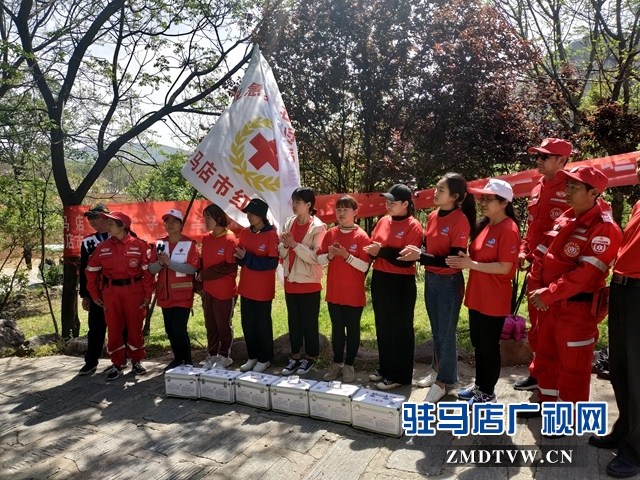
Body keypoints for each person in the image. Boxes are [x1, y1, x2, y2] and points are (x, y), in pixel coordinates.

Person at [521, 166, 621, 424]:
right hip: (549, 306)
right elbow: (541, 254)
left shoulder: (604, 228)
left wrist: (549, 293)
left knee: (573, 367)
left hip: (577, 310)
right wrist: (537, 287)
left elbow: (585, 274)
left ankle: (568, 418)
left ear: (594, 193)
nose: (567, 190)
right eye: (567, 185)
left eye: (574, 187)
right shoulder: (565, 218)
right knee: (546, 358)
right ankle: (547, 406)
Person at [398, 173, 475, 403]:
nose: (435, 192)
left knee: (446, 334)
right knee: (436, 331)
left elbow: (452, 260)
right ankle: (437, 370)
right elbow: (428, 246)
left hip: (448, 283)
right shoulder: (432, 215)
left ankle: (443, 382)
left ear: (455, 196)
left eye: (441, 190)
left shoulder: (460, 220)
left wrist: (420, 256)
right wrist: (418, 250)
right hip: (431, 279)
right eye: (436, 188)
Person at [447, 179, 520, 404]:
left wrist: (472, 264)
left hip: (494, 298)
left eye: (489, 199)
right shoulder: (486, 225)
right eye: (482, 198)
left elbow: (505, 267)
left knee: (489, 347)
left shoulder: (508, 229)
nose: (483, 203)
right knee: (479, 344)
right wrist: (467, 260)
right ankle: (479, 384)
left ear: (505, 202)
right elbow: (479, 258)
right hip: (477, 295)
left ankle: (487, 392)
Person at [589, 164, 640, 478]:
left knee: (637, 373)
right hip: (623, 290)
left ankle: (636, 449)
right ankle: (625, 429)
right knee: (620, 368)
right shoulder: (639, 203)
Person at [514, 138, 572, 392]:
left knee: (552, 328)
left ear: (562, 160)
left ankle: (554, 379)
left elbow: (565, 234)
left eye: (545, 156)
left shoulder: (572, 188)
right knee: (537, 326)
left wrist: (535, 254)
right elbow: (533, 227)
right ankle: (538, 374)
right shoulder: (538, 187)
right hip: (535, 267)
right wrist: (523, 250)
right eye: (537, 155)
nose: (538, 160)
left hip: (556, 271)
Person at [364, 184, 423, 390]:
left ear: (405, 204)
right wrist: (374, 252)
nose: (388, 205)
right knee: (383, 325)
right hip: (380, 278)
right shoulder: (383, 221)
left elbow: (406, 259)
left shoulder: (413, 226)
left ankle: (400, 375)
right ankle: (386, 368)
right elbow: (374, 248)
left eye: (392, 202)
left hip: (401, 282)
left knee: (400, 329)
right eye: (386, 201)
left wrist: (381, 251)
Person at [86, 211, 155, 381]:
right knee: (114, 328)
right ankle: (117, 363)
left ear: (123, 226)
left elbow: (148, 274)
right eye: (107, 223)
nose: (107, 226)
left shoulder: (140, 245)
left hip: (134, 291)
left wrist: (147, 294)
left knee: (135, 327)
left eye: (111, 224)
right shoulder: (102, 247)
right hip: (111, 293)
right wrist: (94, 294)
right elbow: (91, 271)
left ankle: (137, 361)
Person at [317, 195, 371, 383]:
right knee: (337, 330)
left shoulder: (362, 236)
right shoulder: (330, 233)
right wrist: (330, 256)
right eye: (338, 209)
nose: (341, 213)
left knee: (353, 330)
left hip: (354, 293)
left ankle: (349, 365)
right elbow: (319, 259)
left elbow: (364, 266)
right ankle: (337, 364)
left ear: (355, 212)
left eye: (345, 209)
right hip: (335, 291)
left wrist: (346, 255)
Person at [278, 187, 327, 376]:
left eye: (298, 202)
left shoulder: (318, 227)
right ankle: (295, 357)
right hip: (291, 279)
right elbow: (282, 252)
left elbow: (316, 257)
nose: (294, 205)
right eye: (293, 201)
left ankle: (310, 357)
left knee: (309, 322)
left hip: (309, 282)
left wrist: (294, 245)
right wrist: (284, 245)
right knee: (294, 321)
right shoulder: (289, 223)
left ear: (308, 205)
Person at [148, 209, 199, 372]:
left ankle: (187, 360)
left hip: (182, 294)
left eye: (174, 221)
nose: (170, 225)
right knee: (169, 329)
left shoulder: (189, 244)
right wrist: (161, 263)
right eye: (167, 222)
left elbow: (192, 269)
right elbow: (151, 269)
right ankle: (177, 358)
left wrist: (170, 263)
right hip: (164, 294)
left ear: (181, 225)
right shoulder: (159, 243)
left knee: (179, 328)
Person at [234, 198, 279, 373]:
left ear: (262, 215)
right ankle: (252, 356)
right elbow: (241, 257)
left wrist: (247, 258)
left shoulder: (271, 235)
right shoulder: (245, 232)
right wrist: (239, 257)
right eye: (248, 213)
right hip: (246, 287)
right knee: (248, 324)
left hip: (263, 290)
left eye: (253, 213)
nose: (249, 216)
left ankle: (265, 358)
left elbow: (271, 263)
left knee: (262, 325)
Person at [196, 204, 238, 370]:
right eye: (204, 217)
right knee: (210, 324)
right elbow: (202, 263)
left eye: (209, 217)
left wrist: (206, 274)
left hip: (224, 291)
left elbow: (230, 266)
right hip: (208, 290)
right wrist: (200, 284)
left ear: (219, 219)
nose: (205, 221)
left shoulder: (230, 239)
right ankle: (212, 354)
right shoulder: (206, 238)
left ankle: (225, 356)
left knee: (223, 325)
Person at [78, 203, 111, 375]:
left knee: (121, 327)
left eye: (96, 217)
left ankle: (121, 360)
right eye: (90, 218)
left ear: (107, 217)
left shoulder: (121, 237)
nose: (92, 221)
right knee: (96, 328)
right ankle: (91, 362)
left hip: (118, 290)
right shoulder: (88, 242)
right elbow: (83, 270)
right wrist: (85, 295)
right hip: (96, 292)